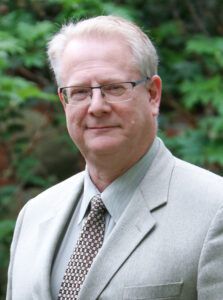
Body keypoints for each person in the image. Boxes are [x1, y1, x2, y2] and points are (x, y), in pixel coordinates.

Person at [6, 15, 223, 300]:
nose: (96, 106)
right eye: (80, 92)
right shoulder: (34, 216)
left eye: (113, 88)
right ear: (64, 103)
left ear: (153, 95)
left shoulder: (214, 210)